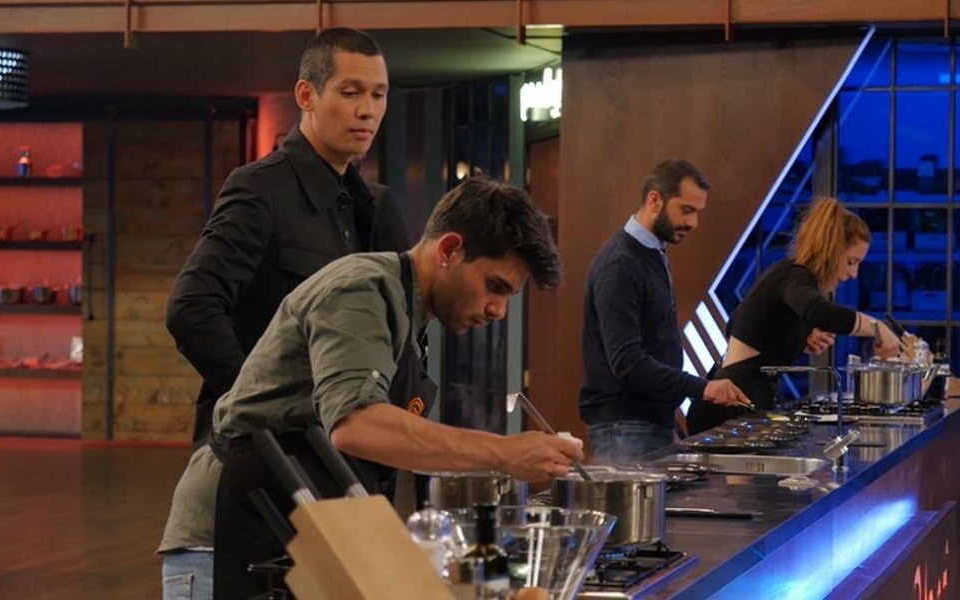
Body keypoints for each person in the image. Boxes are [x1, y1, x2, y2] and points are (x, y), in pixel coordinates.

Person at [197, 176, 584, 598]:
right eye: (495, 287)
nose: (498, 311)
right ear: (449, 250)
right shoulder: (362, 288)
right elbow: (356, 425)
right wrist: (505, 453)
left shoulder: (409, 315)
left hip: (303, 519)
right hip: (233, 526)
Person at [159, 27, 411, 600]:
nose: (367, 110)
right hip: (251, 480)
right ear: (306, 95)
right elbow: (191, 307)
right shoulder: (260, 190)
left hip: (334, 484)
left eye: (378, 95)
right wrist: (262, 401)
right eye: (350, 92)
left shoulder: (373, 208)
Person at [579, 159, 752, 464]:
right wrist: (704, 388)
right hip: (626, 424)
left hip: (645, 421)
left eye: (697, 212)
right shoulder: (621, 263)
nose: (693, 223)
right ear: (654, 200)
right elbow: (627, 362)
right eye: (686, 210)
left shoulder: (652, 252)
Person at [685, 197, 903, 434]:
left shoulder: (787, 276)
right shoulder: (795, 276)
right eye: (851, 262)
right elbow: (819, 312)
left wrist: (798, 336)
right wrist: (877, 328)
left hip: (736, 399)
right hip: (729, 405)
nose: (854, 274)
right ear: (830, 251)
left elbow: (747, 327)